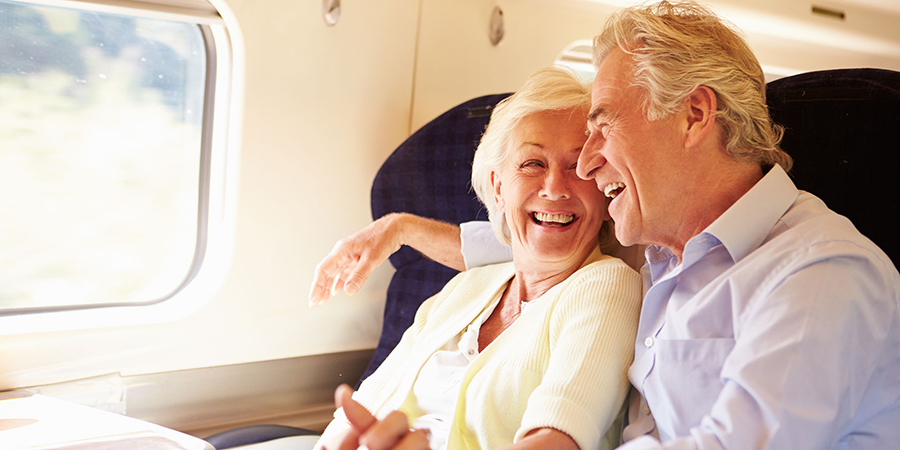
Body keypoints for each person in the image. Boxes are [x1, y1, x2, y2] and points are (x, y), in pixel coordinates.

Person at [309, 1, 900, 449]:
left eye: (603, 125)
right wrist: (403, 230)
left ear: (694, 115)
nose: (587, 166)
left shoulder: (818, 275)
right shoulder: (665, 257)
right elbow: (529, 242)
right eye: (536, 163)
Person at [312, 67, 643, 450]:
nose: (554, 188)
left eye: (577, 168)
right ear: (499, 189)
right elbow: (360, 410)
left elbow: (557, 437)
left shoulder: (608, 286)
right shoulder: (465, 287)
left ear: (604, 192)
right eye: (533, 164)